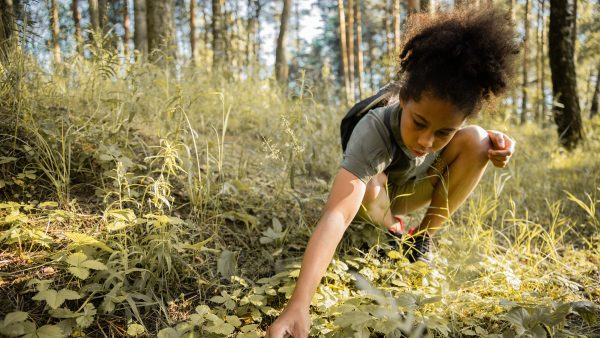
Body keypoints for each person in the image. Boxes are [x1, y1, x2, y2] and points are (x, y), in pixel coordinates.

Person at [266, 6, 519, 338]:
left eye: (443, 132)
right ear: (403, 97)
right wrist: (299, 303)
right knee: (371, 184)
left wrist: (495, 148)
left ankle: (418, 240)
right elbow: (337, 215)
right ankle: (392, 230)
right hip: (374, 200)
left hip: (413, 191)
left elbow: (468, 140)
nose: (426, 141)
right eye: (419, 122)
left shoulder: (452, 128)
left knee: (479, 141)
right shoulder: (374, 129)